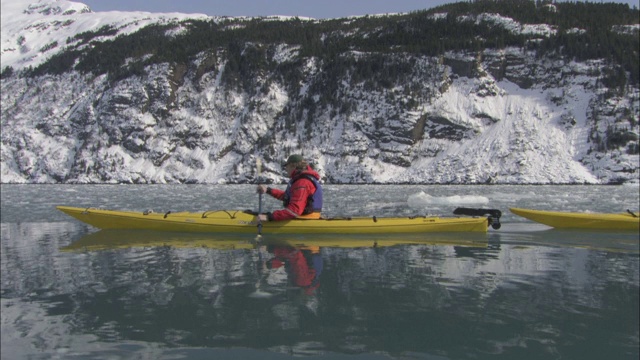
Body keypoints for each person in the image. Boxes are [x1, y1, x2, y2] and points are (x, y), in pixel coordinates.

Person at [256, 154, 323, 221]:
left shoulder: (302, 183)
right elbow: (287, 196)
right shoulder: (300, 180)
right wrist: (268, 190)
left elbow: (295, 210)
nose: (286, 169)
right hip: (306, 217)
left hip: (305, 218)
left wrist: (269, 217)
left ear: (293, 166)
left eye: (287, 166)